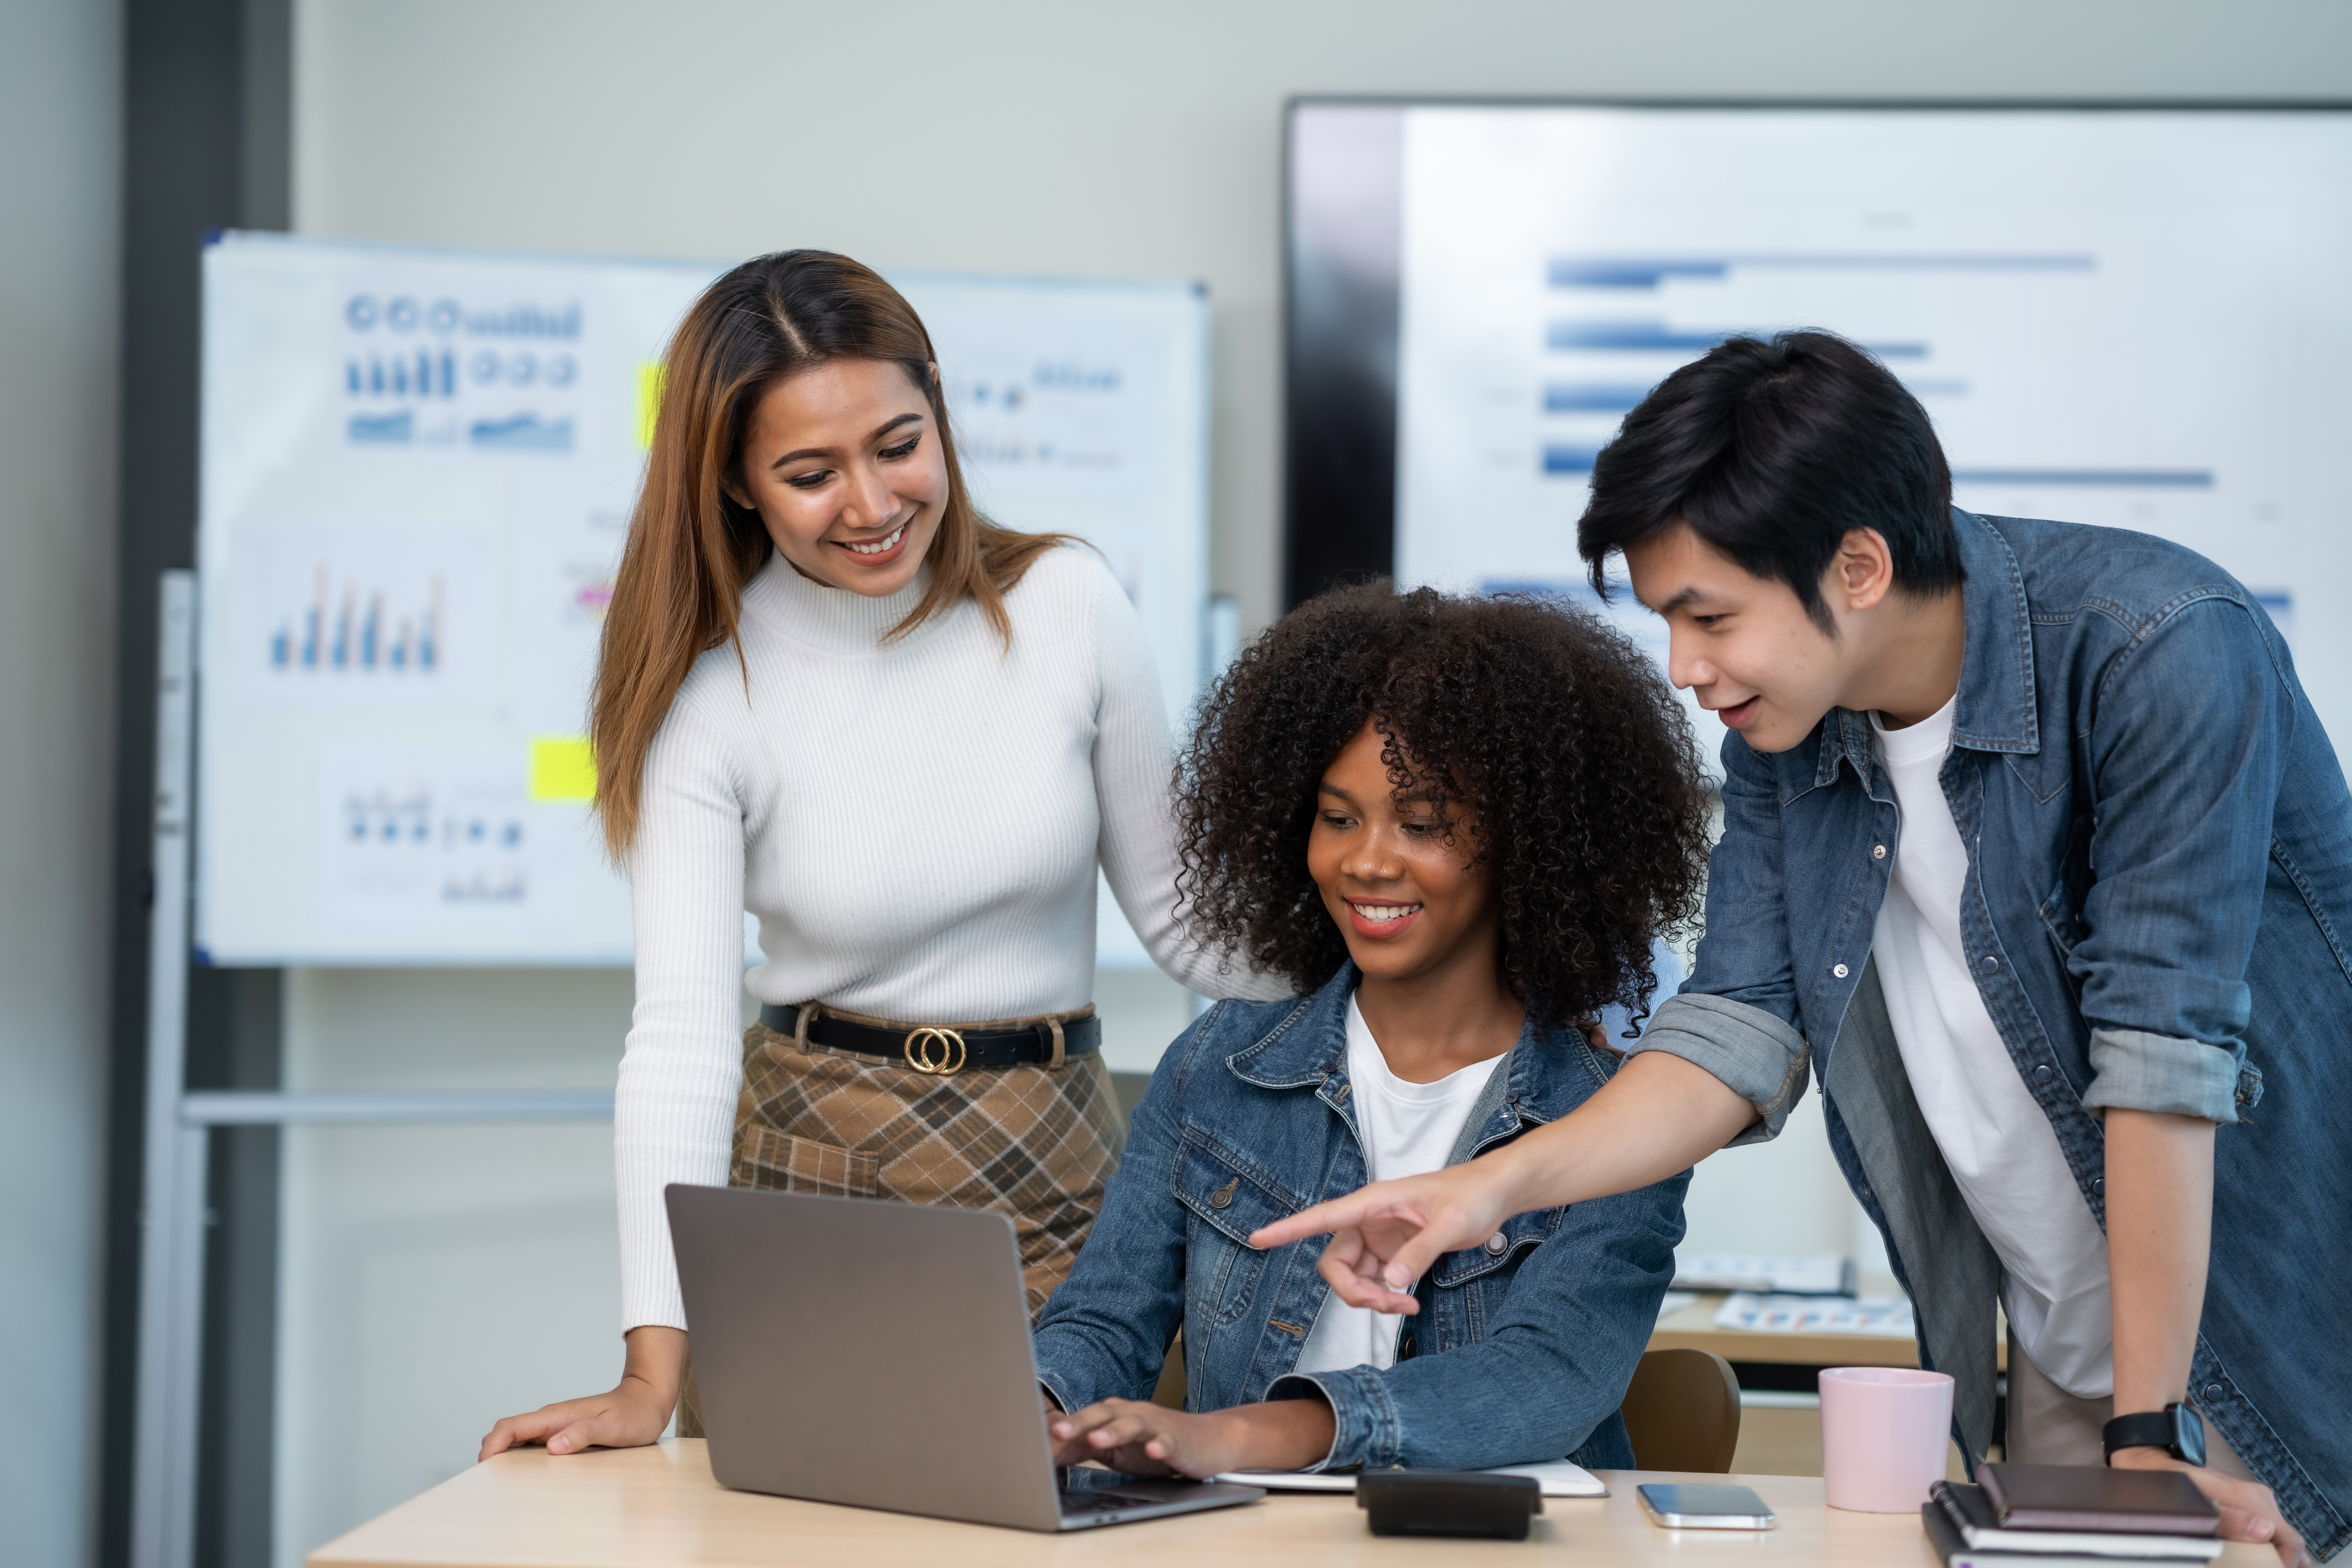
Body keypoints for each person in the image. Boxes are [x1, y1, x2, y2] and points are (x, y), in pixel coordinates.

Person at [1255, 332, 2345, 1563]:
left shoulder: (2157, 648)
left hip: (2267, 1349)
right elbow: (1731, 1035)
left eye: (1709, 615)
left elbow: (2163, 1058)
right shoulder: (1789, 740)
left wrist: (2149, 1438)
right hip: (2058, 1347)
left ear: (1862, 565)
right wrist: (1480, 1189)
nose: (1684, 669)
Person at [479, 250, 1275, 1460]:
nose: (871, 502)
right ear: (738, 486)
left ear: (940, 407)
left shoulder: (1068, 604)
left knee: (1063, 1525)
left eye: (897, 444)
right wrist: (648, 1373)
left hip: (1059, 1167)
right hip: (810, 1180)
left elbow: (1186, 921)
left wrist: (1456, 984)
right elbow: (682, 1039)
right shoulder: (708, 699)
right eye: (808, 474)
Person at [1027, 583, 1711, 1476]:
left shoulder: (1621, 1116)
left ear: (1530, 841)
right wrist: (1039, 1412)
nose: (1368, 861)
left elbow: (1541, 1382)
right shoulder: (1219, 1065)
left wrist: (1241, 1439)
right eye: (1338, 817)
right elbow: (1103, 1321)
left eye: (1422, 823)